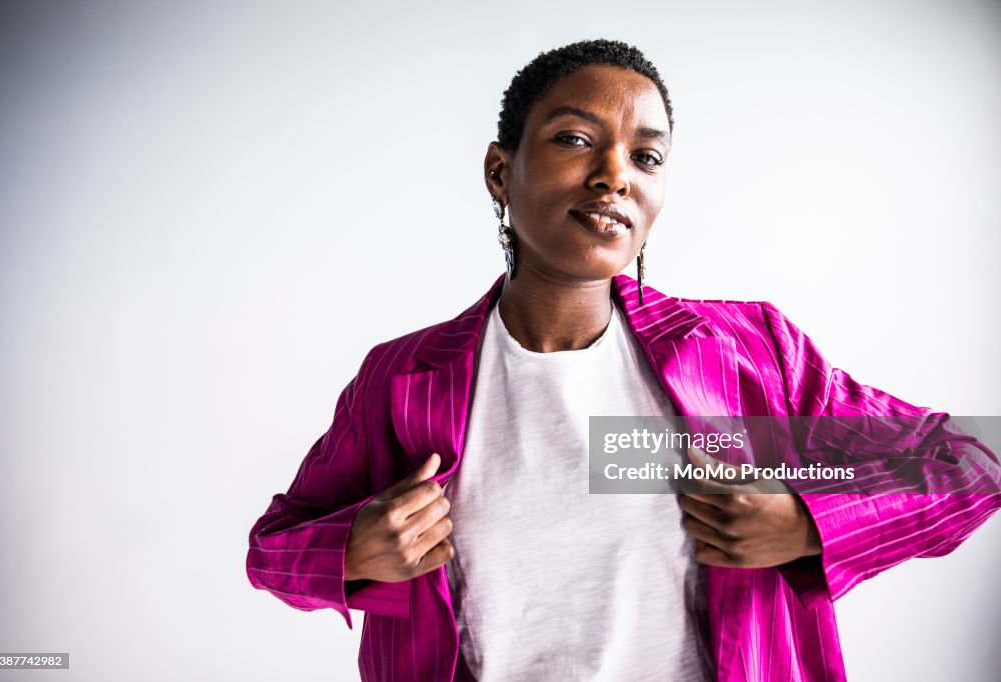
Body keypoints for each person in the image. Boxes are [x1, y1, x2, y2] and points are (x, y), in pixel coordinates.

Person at [245, 40, 1001, 681]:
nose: (615, 174)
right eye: (575, 139)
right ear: (500, 173)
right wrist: (352, 549)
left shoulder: (746, 357)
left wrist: (809, 524)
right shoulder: (402, 382)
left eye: (646, 155)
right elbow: (272, 549)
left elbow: (972, 458)